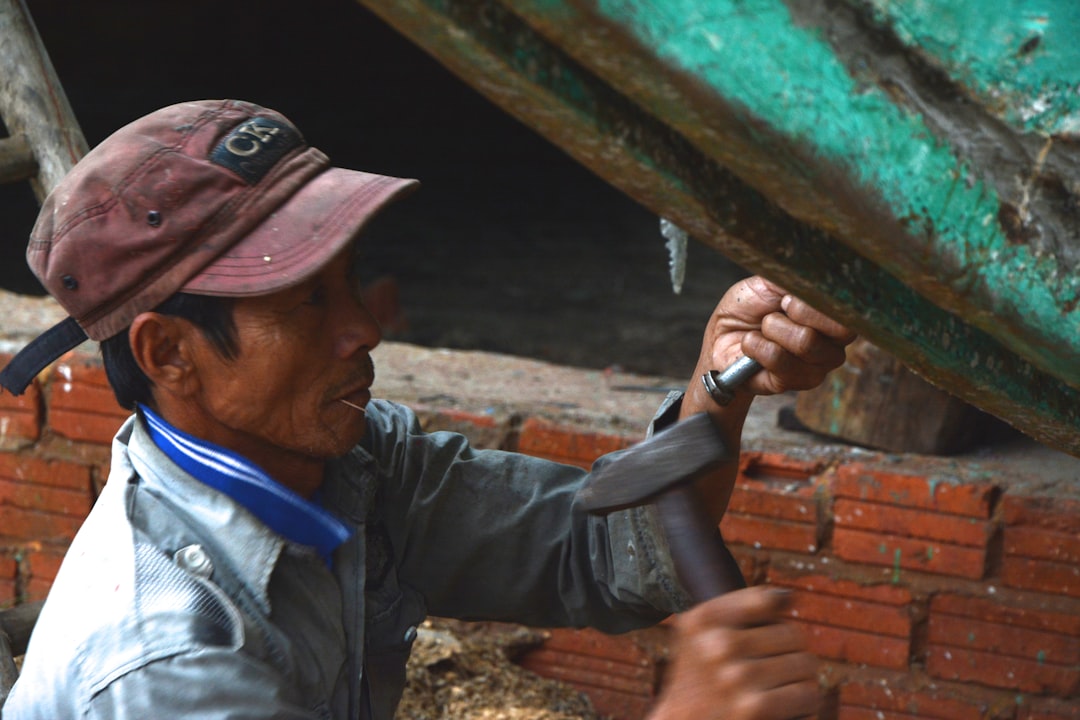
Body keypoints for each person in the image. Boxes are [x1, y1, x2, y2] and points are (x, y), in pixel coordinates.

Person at [0, 99, 854, 720]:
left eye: (350, 284)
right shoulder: (166, 663)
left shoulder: (348, 468)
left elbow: (603, 556)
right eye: (306, 304)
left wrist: (719, 379)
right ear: (169, 354)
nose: (363, 328)